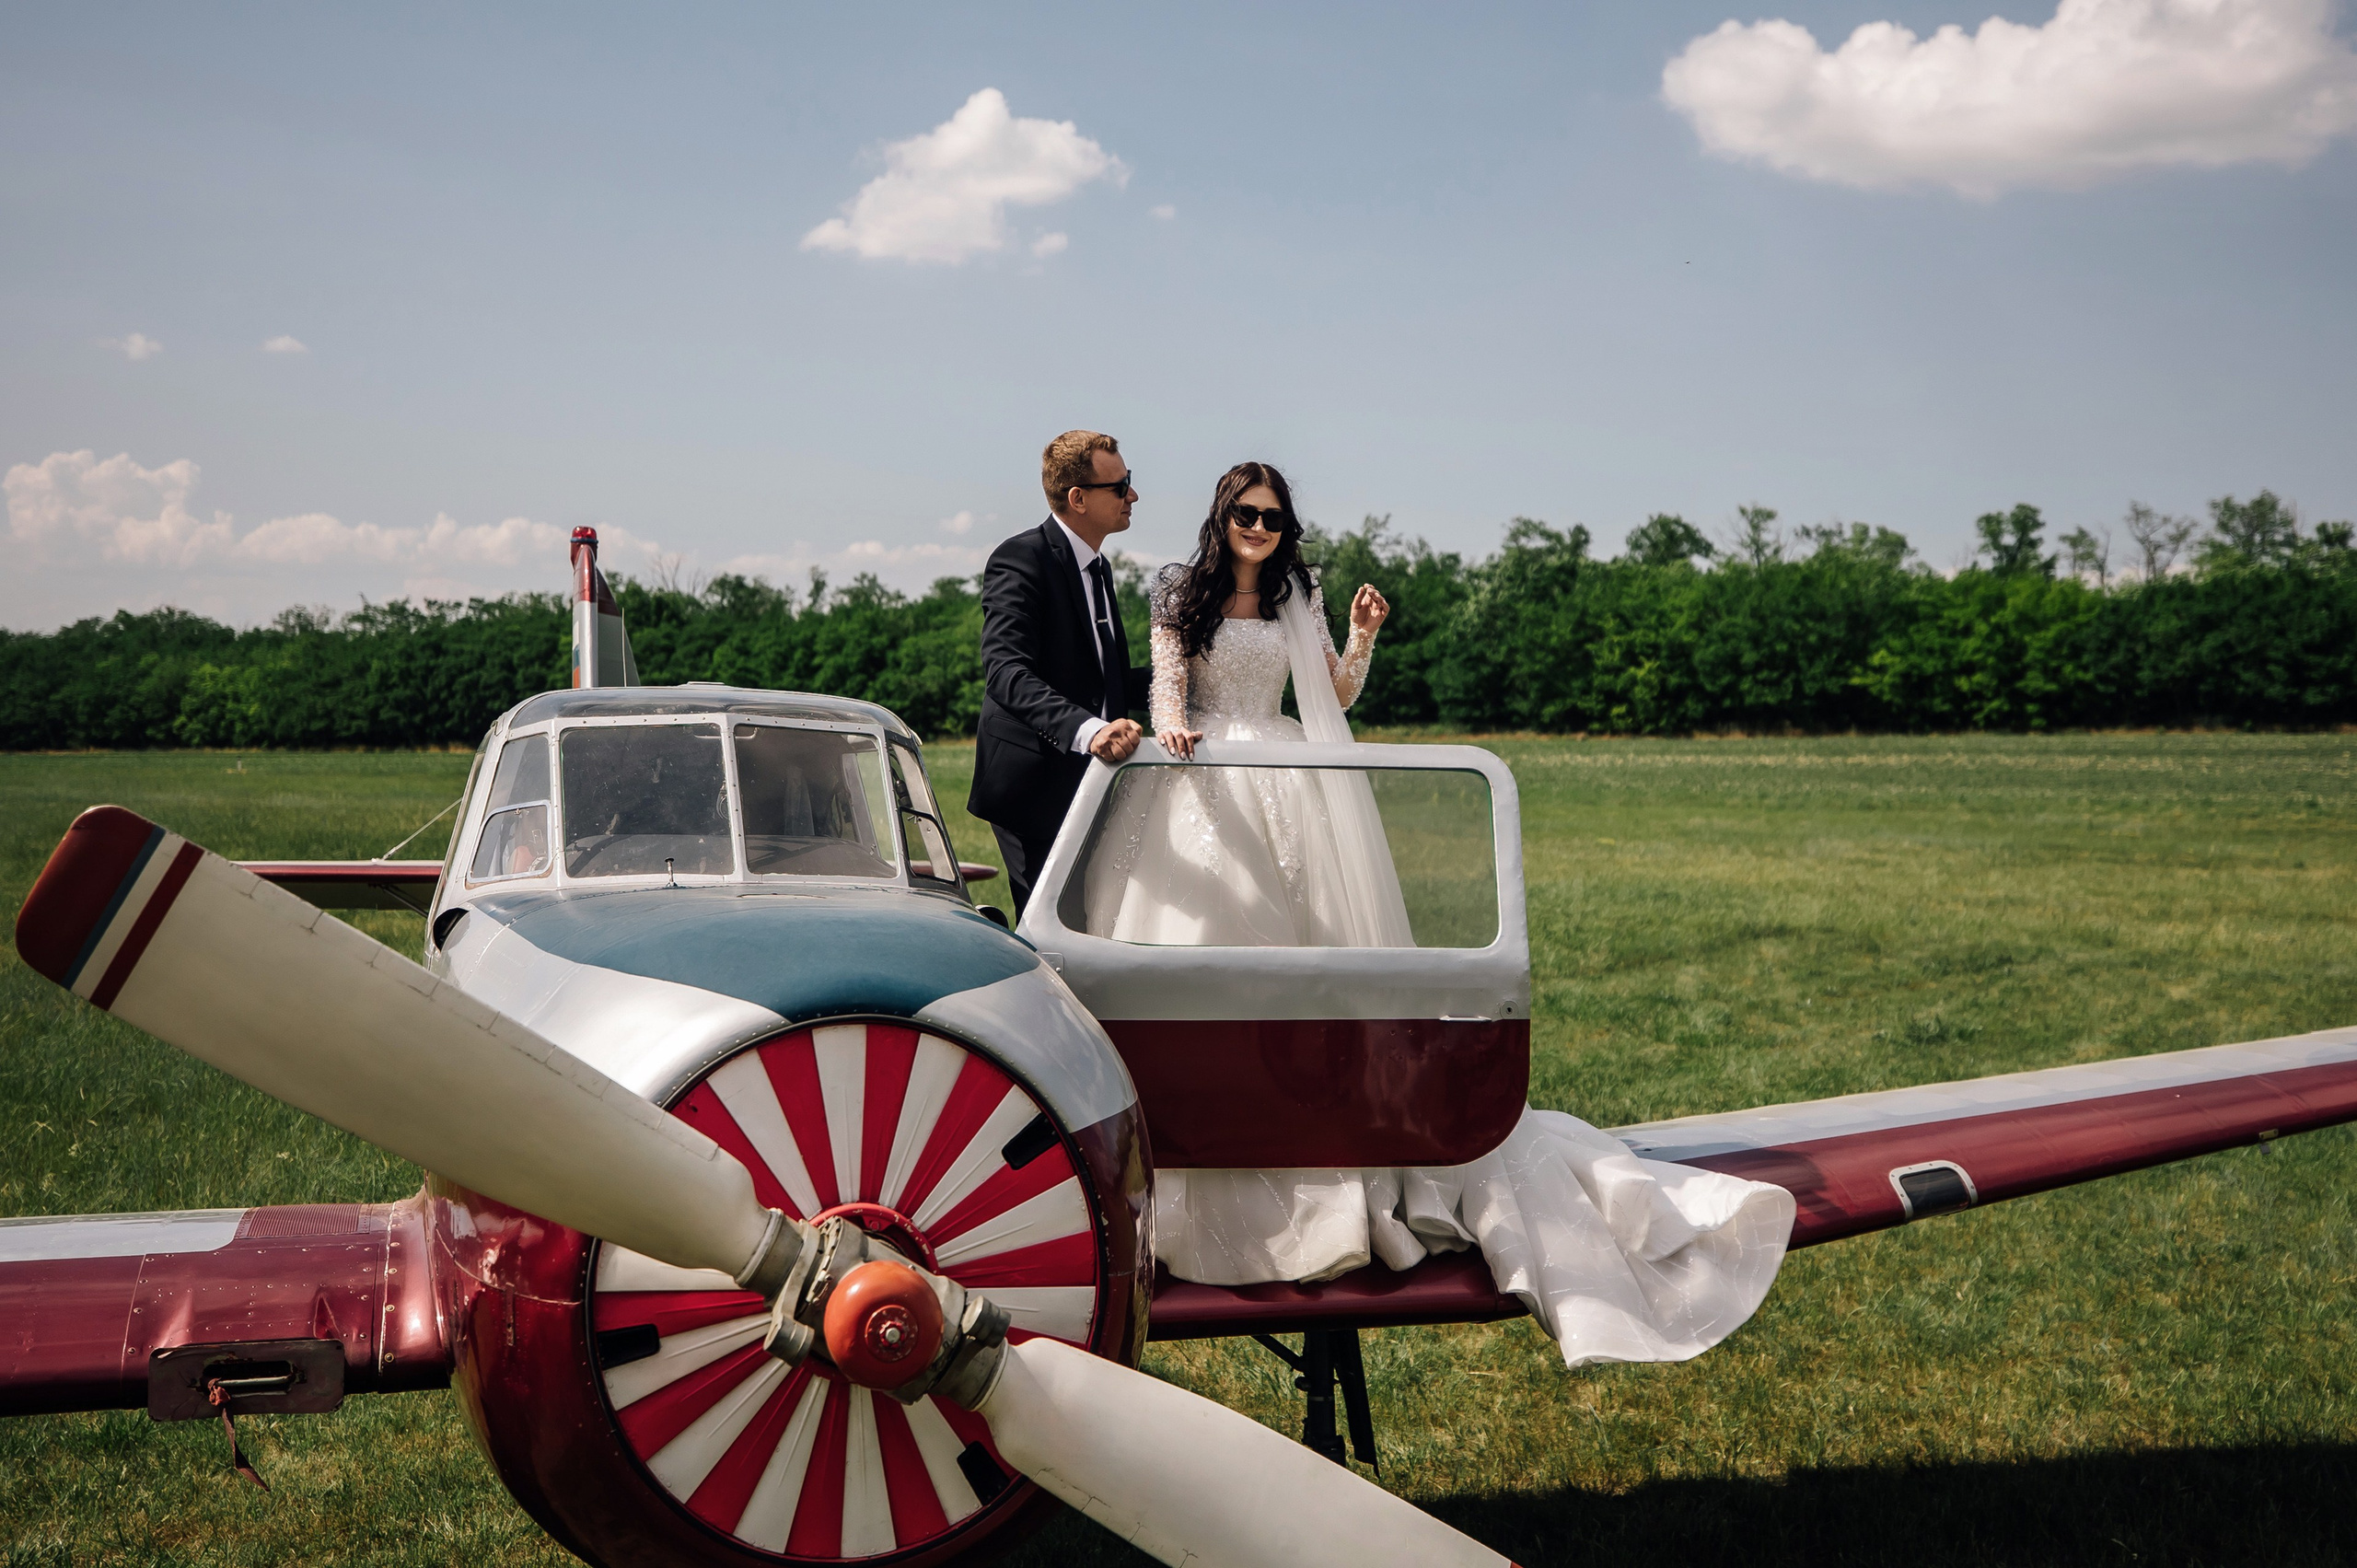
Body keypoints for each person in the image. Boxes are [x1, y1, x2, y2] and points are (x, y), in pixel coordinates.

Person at [1102, 460, 1798, 1371]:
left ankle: (1325, 1144)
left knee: (1312, 966)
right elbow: (1164, 685)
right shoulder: (1177, 590)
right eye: (1245, 512)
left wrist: (1361, 637)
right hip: (1201, 783)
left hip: (1291, 773)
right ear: (1221, 515)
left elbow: (1336, 696)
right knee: (1200, 962)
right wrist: (1173, 730)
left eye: (1273, 516)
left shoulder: (1294, 590)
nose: (1259, 527)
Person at [968, 430, 1152, 913]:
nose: (1132, 494)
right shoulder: (1020, 559)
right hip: (1033, 785)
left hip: (1093, 779)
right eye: (1121, 485)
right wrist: (1090, 732)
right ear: (1078, 499)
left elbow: (1099, 684)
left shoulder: (1099, 568)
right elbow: (1006, 673)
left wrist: (1184, 676)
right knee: (1050, 930)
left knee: (1091, 918)